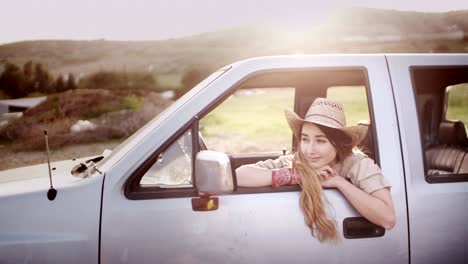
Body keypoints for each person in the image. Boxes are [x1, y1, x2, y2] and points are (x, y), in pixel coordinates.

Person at [236, 98, 396, 242]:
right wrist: (298, 175)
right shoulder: (296, 161)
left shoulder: (357, 164)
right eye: (305, 139)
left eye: (320, 141)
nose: (310, 150)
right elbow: (239, 176)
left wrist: (340, 183)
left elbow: (388, 218)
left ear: (338, 144)